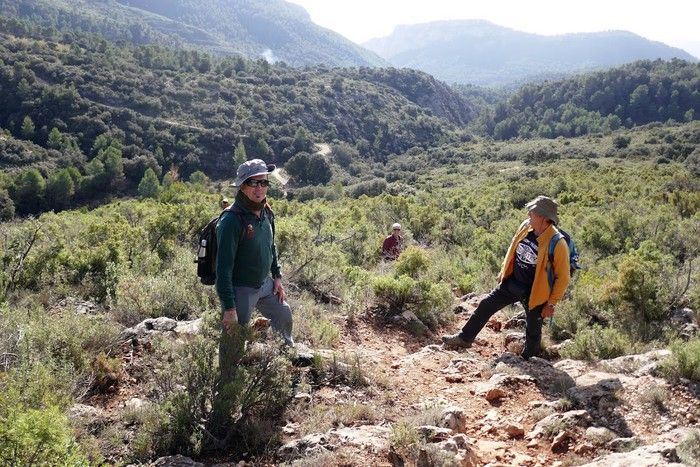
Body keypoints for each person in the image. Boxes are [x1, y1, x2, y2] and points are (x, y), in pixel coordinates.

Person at [442, 196, 570, 360]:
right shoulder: (526, 227)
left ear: (544, 218)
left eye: (533, 212)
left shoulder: (557, 243)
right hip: (514, 281)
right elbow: (513, 247)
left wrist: (551, 303)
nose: (529, 213)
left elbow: (563, 277)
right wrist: (504, 271)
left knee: (533, 329)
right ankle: (465, 338)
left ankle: (530, 360)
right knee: (486, 305)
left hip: (536, 292)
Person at [215, 159, 293, 380]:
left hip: (264, 284)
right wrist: (229, 308)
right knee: (234, 338)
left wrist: (276, 276)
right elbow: (223, 269)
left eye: (263, 182)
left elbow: (271, 245)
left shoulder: (265, 211)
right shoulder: (232, 220)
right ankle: (227, 383)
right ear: (242, 186)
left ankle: (285, 359)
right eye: (253, 183)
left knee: (283, 314)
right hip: (241, 288)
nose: (259, 188)